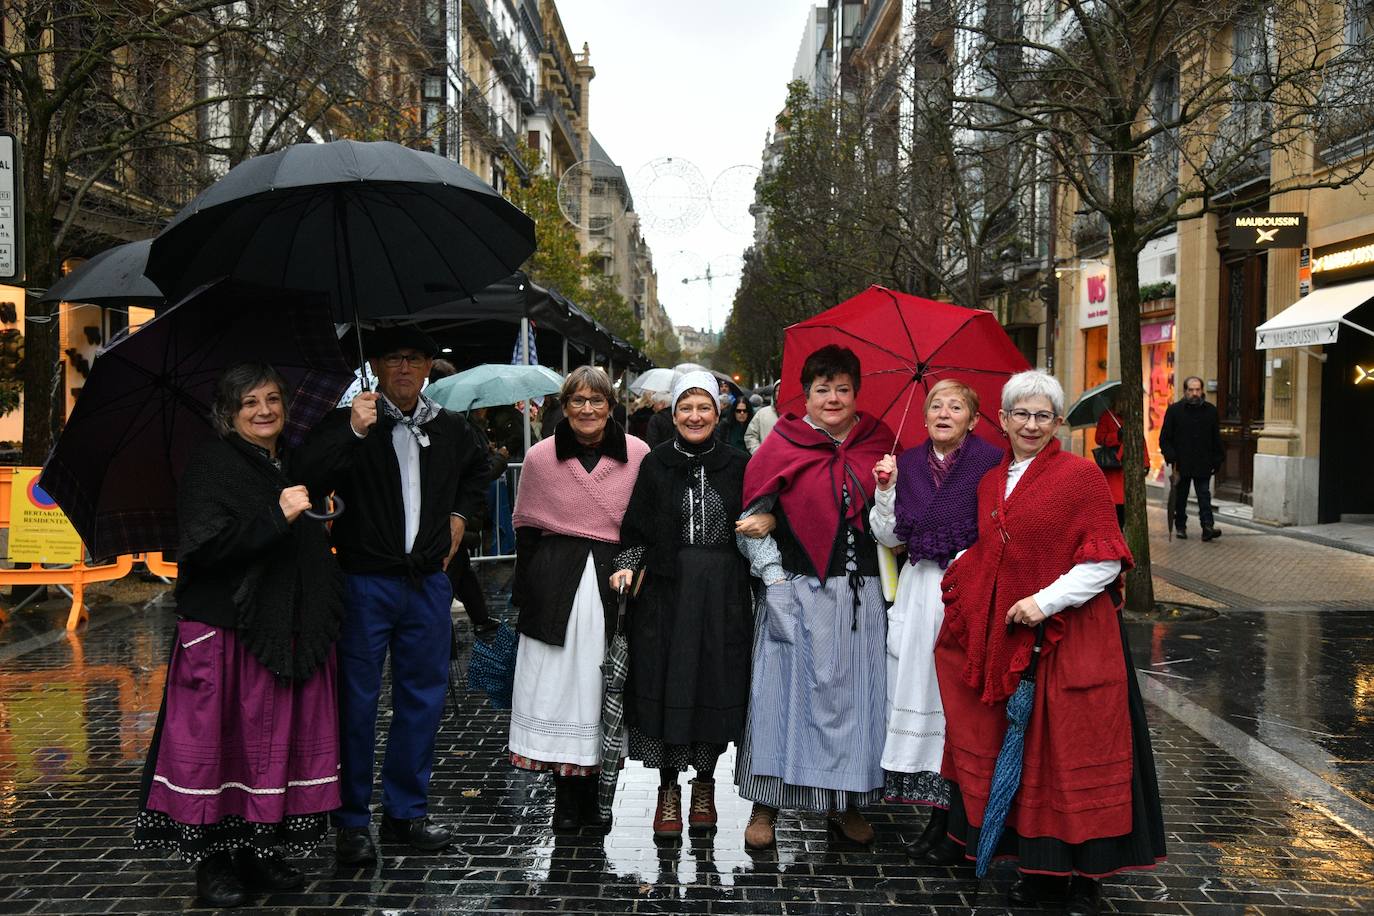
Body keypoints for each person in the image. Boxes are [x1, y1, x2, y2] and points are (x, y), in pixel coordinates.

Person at [934, 369, 1166, 916]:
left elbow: (1105, 558)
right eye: (1021, 414)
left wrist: (1045, 602)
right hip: (1016, 641)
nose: (1031, 424)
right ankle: (1041, 871)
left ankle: (1087, 875)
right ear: (1003, 419)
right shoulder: (992, 481)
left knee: (1072, 753)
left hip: (1073, 637)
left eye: (1043, 415)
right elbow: (994, 550)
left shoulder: (1080, 477)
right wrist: (960, 570)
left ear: (1058, 422)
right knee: (1027, 756)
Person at [134, 363, 345, 908]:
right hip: (225, 628)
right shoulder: (210, 466)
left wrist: (358, 426)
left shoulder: (282, 462)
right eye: (249, 402)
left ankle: (256, 851)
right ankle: (212, 866)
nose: (264, 410)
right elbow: (208, 549)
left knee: (267, 748)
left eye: (273, 399)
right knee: (216, 745)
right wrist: (277, 516)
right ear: (228, 413)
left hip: (282, 625)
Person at [294, 325, 490, 866]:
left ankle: (406, 812)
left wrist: (458, 515)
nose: (404, 368)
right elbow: (306, 476)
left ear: (429, 366)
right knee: (355, 704)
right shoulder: (353, 421)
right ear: (376, 366)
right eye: (393, 359)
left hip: (427, 583)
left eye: (415, 358)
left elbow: (480, 470)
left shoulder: (448, 428)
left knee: (422, 702)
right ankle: (352, 820)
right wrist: (353, 433)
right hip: (363, 583)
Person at [734, 344, 894, 849]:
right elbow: (751, 524)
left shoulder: (879, 444)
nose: (833, 398)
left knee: (854, 703)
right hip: (797, 590)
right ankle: (766, 806)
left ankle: (845, 806)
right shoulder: (783, 443)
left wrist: (889, 488)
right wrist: (775, 581)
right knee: (782, 698)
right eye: (822, 389)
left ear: (856, 392)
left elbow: (896, 525)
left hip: (861, 595)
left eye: (842, 388)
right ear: (806, 393)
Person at [611, 371, 756, 839]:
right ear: (673, 414)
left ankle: (706, 785)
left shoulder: (739, 463)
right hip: (666, 595)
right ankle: (668, 789)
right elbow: (634, 529)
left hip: (723, 593)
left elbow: (759, 516)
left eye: (704, 408)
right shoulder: (654, 465)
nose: (695, 416)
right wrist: (628, 567)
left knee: (712, 684)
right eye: (685, 408)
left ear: (717, 413)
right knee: (669, 682)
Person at [508, 366, 650, 831]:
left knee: (602, 690)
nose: (587, 410)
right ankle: (567, 800)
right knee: (559, 693)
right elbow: (527, 530)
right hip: (555, 589)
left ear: (611, 406)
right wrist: (525, 599)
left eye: (597, 401)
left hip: (617, 583)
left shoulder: (638, 454)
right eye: (577, 401)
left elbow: (648, 522)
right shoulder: (540, 458)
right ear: (564, 407)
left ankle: (598, 797)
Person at [868, 379, 1003, 862]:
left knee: (958, 704)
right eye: (937, 406)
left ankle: (956, 821)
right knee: (923, 692)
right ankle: (935, 818)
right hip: (920, 589)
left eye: (957, 405)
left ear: (973, 416)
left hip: (966, 590)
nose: (945, 413)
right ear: (924, 418)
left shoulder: (989, 462)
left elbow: (996, 524)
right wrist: (885, 491)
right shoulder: (904, 464)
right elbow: (887, 534)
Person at [1159, 375, 1224, 541]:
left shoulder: (1210, 410)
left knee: (1204, 495)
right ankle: (1180, 526)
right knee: (1181, 497)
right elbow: (1164, 438)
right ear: (1185, 391)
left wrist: (1218, 458)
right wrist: (1171, 455)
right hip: (1181, 463)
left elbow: (1215, 437)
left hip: (1203, 461)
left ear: (1201, 391)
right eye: (1191, 390)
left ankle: (1207, 526)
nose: (1195, 393)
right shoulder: (1174, 410)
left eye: (1197, 390)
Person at [1093, 391, 1149, 530]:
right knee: (1115, 502)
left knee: (1128, 503)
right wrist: (1117, 436)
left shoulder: (1132, 418)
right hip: (1113, 467)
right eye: (1121, 401)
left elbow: (1141, 441)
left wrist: (1146, 463)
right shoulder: (1107, 417)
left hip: (1130, 465)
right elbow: (1099, 438)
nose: (1123, 405)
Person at [744, 382, 780, 454]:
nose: (780, 393)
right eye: (778, 390)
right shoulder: (762, 413)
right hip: (766, 460)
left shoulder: (796, 416)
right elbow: (750, 436)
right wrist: (758, 453)